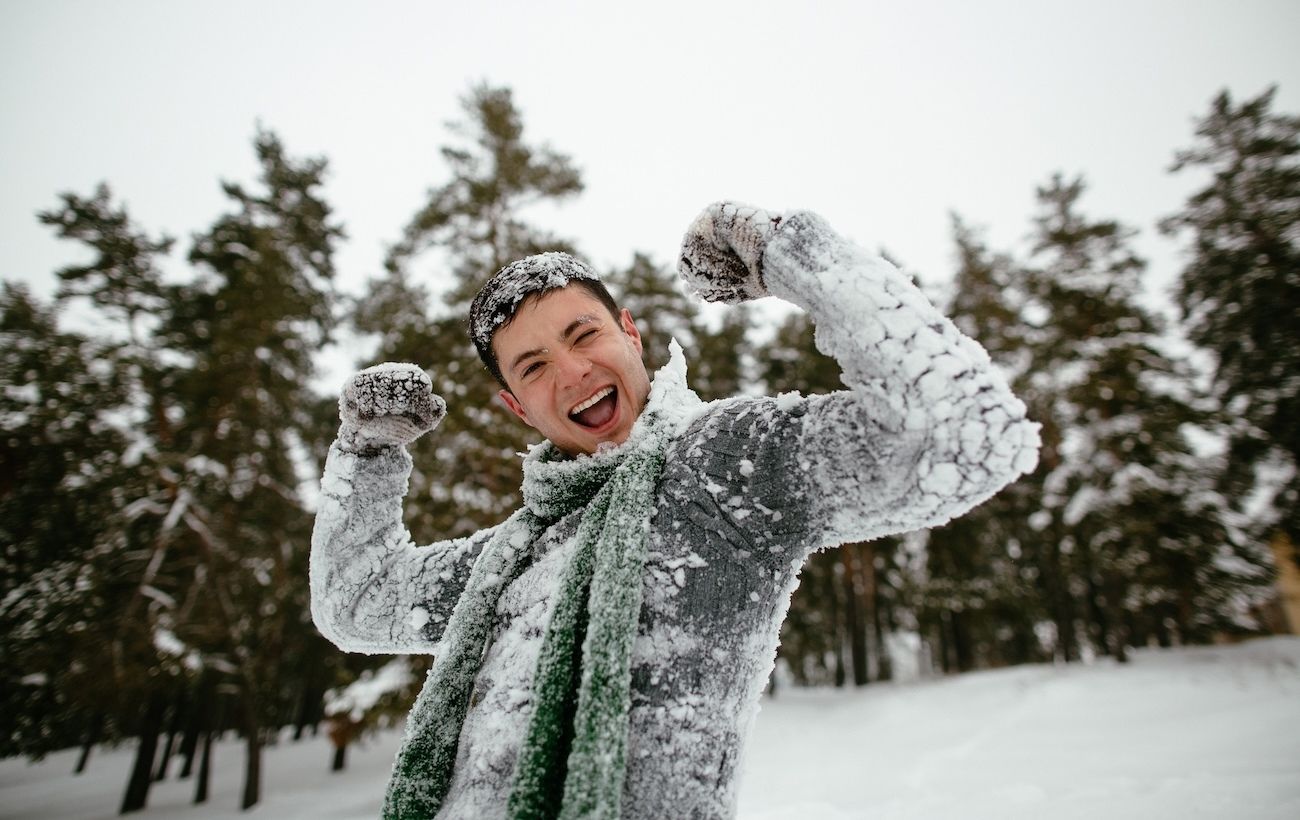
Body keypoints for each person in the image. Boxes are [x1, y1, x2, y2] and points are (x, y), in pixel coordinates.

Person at [310, 202, 1040, 819]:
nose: (572, 372)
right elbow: (357, 601)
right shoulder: (511, 556)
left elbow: (967, 435)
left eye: (583, 334)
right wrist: (367, 455)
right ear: (516, 407)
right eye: (532, 367)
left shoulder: (727, 466)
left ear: (630, 332)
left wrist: (786, 253)